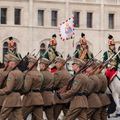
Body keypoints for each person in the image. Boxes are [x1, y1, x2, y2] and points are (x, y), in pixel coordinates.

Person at [0, 54, 24, 120]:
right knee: (20, 117)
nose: (8, 64)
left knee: (2, 116)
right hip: (18, 98)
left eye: (9, 62)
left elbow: (8, 89)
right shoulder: (20, 73)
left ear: (12, 63)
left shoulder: (12, 73)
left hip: (10, 99)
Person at [22, 55, 44, 120]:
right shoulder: (40, 74)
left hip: (30, 100)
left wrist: (19, 92)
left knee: (21, 116)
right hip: (38, 99)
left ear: (31, 64)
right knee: (40, 118)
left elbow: (26, 88)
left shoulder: (29, 74)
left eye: (29, 63)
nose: (28, 65)